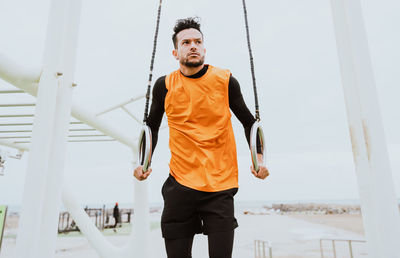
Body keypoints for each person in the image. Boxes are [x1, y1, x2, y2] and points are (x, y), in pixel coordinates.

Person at [133, 17, 269, 258]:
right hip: (180, 185)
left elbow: (250, 123)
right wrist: (143, 163)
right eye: (186, 42)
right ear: (176, 52)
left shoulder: (225, 81)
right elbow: (151, 128)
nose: (193, 45)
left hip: (220, 185)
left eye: (198, 41)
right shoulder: (164, 86)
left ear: (204, 48)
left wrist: (259, 159)